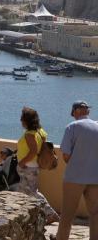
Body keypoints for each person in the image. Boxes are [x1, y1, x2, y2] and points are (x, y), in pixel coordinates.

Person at [56, 101, 98, 240]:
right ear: (88, 111)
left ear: (76, 111)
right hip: (95, 178)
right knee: (95, 214)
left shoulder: (72, 127)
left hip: (74, 178)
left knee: (67, 215)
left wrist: (77, 164)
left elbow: (66, 156)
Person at [16, 107, 58, 224]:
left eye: (22, 119)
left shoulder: (29, 134)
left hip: (28, 166)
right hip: (34, 166)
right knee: (22, 191)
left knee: (32, 192)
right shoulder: (40, 132)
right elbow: (42, 148)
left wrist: (22, 162)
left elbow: (34, 151)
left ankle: (50, 213)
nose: (20, 121)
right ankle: (24, 216)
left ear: (26, 120)